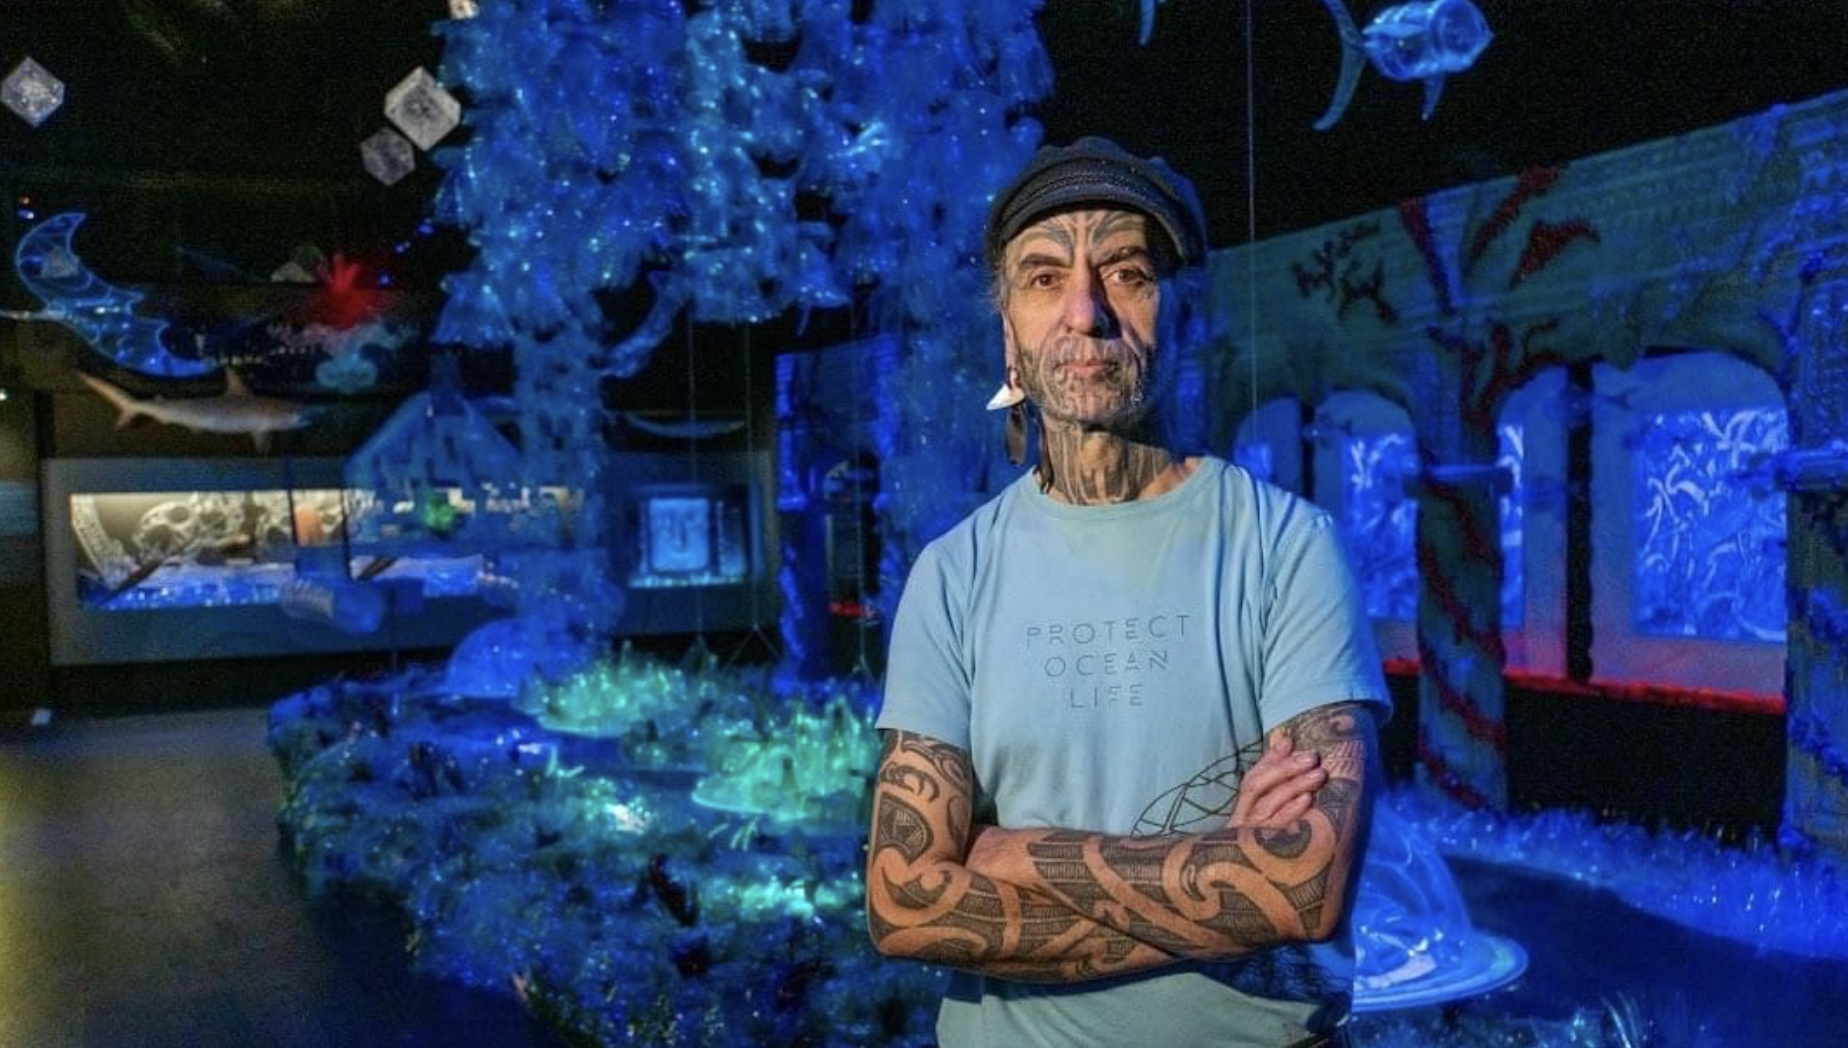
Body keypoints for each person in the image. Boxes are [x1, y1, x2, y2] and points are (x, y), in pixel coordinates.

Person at [864, 136, 1392, 1048]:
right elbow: (902, 904)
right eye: (1041, 278)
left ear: (1180, 314)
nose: (1085, 311)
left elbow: (1304, 884)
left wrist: (1004, 854)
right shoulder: (952, 576)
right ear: (1009, 338)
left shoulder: (1287, 547)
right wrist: (1225, 871)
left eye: (1127, 272)